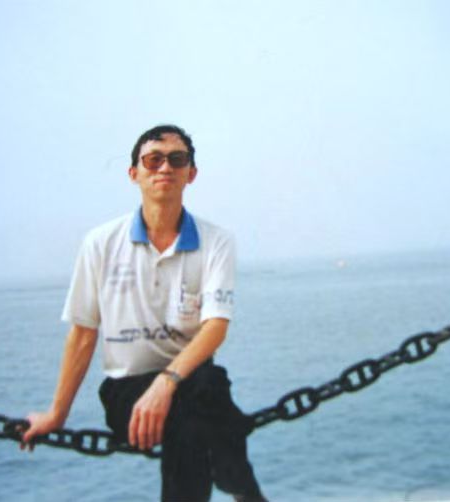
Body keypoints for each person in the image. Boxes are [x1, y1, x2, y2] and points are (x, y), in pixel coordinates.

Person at [21, 124, 266, 502]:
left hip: (193, 381)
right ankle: (244, 490)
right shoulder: (101, 243)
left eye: (177, 159)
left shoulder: (216, 241)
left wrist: (165, 384)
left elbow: (215, 326)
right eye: (153, 160)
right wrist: (57, 414)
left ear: (191, 173)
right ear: (134, 173)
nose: (165, 167)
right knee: (212, 413)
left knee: (197, 409)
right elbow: (83, 334)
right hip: (128, 392)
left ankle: (241, 488)